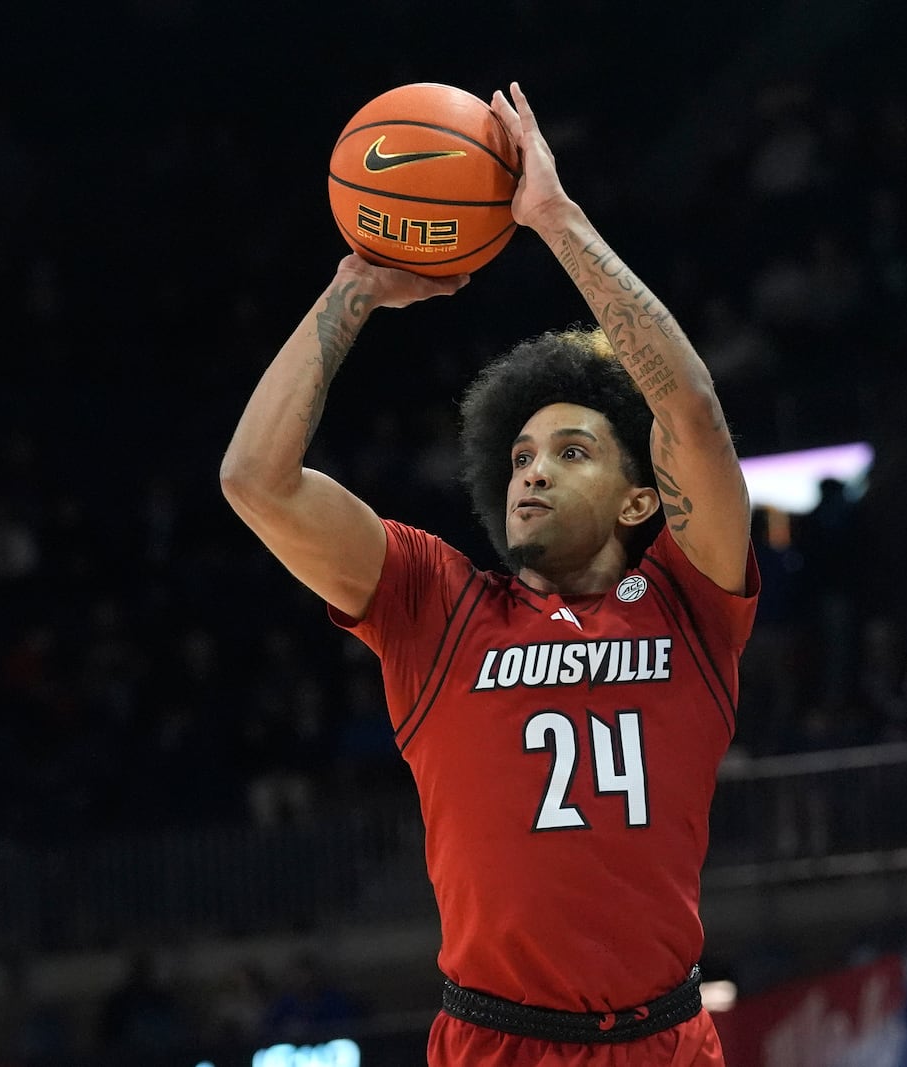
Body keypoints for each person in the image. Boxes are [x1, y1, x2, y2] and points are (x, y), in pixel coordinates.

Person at [222, 83, 758, 1067]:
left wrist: (555, 220)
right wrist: (350, 294)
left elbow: (690, 413)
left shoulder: (693, 600)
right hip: (497, 1041)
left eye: (571, 451)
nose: (533, 470)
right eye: (518, 457)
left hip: (667, 1039)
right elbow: (255, 479)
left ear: (642, 499)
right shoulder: (439, 604)